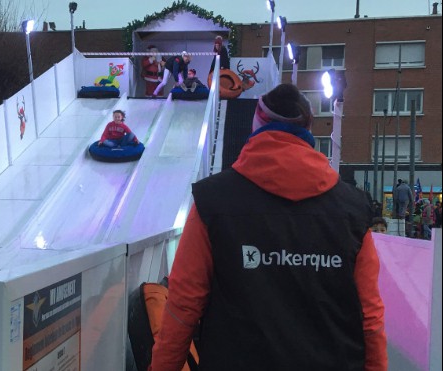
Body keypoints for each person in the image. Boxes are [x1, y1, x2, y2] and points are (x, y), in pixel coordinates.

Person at [150, 84, 387, 371]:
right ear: (308, 130)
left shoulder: (213, 201)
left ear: (257, 124)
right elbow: (369, 316)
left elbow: (183, 305)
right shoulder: (352, 209)